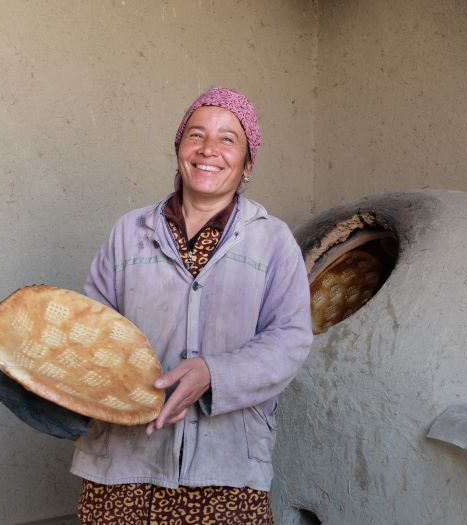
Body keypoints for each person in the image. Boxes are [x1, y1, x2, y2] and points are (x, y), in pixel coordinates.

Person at [72, 87, 313, 524]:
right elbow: (95, 329)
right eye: (196, 135)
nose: (208, 150)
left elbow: (290, 341)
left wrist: (213, 374)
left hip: (226, 469)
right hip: (123, 465)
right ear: (179, 149)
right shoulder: (129, 231)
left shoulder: (273, 241)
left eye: (228, 139)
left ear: (247, 164)